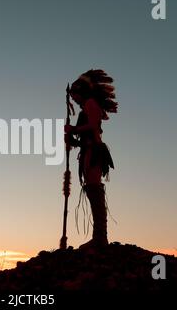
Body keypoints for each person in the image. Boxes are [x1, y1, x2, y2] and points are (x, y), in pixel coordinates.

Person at [64, 69, 118, 248]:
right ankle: (99, 236)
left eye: (74, 96)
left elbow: (93, 126)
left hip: (94, 151)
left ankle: (100, 237)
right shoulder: (88, 105)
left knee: (94, 187)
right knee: (92, 187)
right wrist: (72, 138)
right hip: (89, 149)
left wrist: (74, 130)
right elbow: (86, 133)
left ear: (81, 92)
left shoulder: (90, 103)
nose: (73, 100)